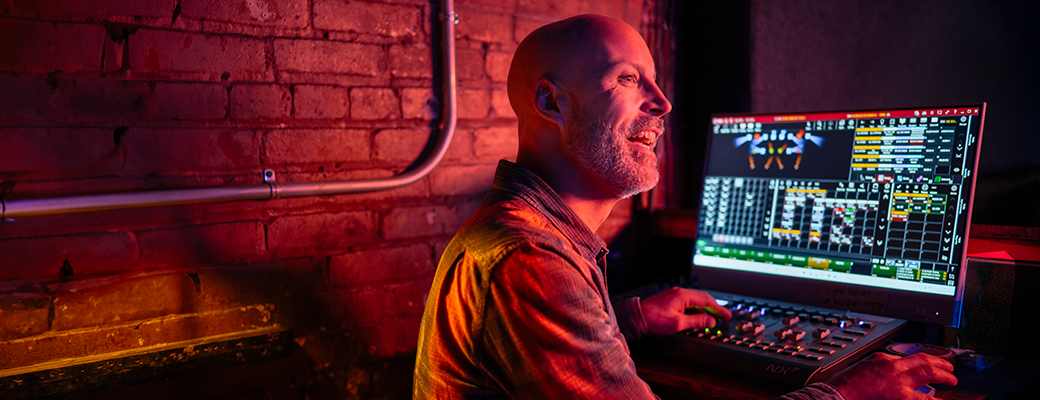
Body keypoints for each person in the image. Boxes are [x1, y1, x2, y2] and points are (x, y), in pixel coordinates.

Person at [414, 14, 957, 399]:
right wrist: (848, 394)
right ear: (550, 102)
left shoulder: (529, 232)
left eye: (656, 80)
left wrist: (630, 318)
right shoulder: (530, 259)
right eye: (628, 79)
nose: (663, 103)